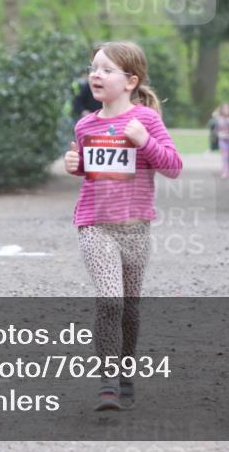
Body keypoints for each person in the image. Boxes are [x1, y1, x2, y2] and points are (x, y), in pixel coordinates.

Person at [62, 40, 183, 411]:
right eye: (92, 68)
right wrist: (76, 165)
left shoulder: (145, 120)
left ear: (130, 81)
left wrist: (144, 141)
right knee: (110, 300)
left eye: (106, 69)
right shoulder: (85, 124)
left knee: (129, 307)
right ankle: (108, 383)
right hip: (95, 224)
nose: (95, 75)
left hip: (135, 229)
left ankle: (126, 369)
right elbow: (95, 172)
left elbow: (173, 167)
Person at [212, 103, 229, 179]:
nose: (226, 111)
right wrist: (216, 117)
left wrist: (227, 120)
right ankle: (225, 172)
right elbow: (216, 129)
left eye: (227, 109)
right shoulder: (219, 119)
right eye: (224, 109)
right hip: (222, 140)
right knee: (225, 157)